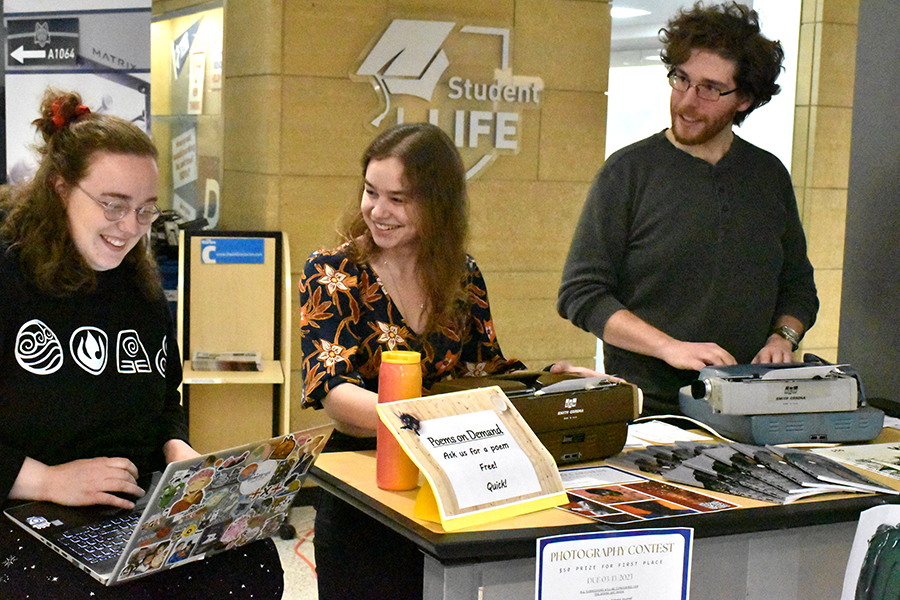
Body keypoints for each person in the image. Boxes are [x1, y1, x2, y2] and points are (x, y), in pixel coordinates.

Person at [0, 89, 283, 599]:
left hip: (130, 509)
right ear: (61, 190)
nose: (130, 228)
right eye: (113, 205)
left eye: (147, 211)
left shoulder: (138, 287)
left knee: (252, 564)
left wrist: (180, 455)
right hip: (24, 509)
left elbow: (160, 400)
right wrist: (45, 481)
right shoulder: (9, 278)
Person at [299, 122, 601, 599]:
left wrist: (547, 382)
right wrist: (426, 421)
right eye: (371, 192)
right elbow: (334, 391)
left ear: (437, 203)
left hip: (450, 477)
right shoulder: (332, 271)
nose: (378, 211)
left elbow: (484, 372)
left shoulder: (463, 274)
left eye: (398, 199)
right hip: (364, 481)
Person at [557, 1, 819, 415]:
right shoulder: (627, 172)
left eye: (710, 89)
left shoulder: (768, 175)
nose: (687, 102)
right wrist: (670, 348)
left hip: (749, 407)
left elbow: (798, 286)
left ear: (745, 99)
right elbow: (581, 295)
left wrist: (782, 337)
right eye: (681, 79)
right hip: (646, 410)